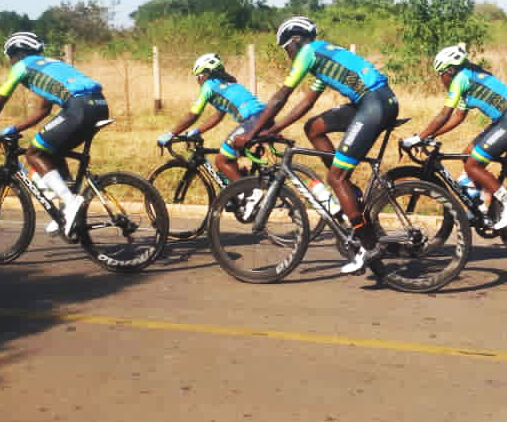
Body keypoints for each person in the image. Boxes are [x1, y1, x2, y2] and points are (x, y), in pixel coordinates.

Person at [237, 16, 399, 274]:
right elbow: (306, 103)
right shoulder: (322, 58)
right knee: (313, 127)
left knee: (335, 178)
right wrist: (274, 129)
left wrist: (253, 132)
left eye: (287, 48)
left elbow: (281, 96)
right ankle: (349, 189)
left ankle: (367, 245)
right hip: (376, 101)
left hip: (373, 104)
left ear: (297, 41)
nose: (288, 55)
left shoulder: (309, 53)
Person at [0, 32, 109, 239]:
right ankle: (66, 210)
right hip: (99, 105)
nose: (9, 62)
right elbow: (43, 111)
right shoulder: (50, 65)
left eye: (9, 57)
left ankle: (70, 202)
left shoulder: (21, 67)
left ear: (16, 53)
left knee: (33, 153)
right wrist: (16, 128)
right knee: (51, 152)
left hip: (79, 107)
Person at [402, 43, 507, 229]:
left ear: (451, 71)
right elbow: (458, 117)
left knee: (473, 165)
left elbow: (445, 114)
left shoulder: (460, 79)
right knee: (467, 154)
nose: (441, 80)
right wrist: (430, 135)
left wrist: (419, 137)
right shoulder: (467, 78)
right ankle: (479, 208)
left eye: (441, 75)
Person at [156, 53, 267, 218]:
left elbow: (193, 114)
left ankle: (251, 194)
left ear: (204, 74)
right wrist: (198, 131)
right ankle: (242, 190)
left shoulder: (208, 86)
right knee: (231, 156)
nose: (198, 81)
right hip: (264, 117)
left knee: (221, 160)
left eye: (198, 77)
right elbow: (218, 115)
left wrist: (171, 134)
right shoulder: (226, 84)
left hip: (252, 121)